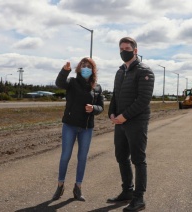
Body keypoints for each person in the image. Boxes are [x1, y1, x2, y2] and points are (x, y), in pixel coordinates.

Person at [107, 37, 155, 211]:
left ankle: (139, 198)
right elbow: (115, 95)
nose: (123, 51)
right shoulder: (120, 72)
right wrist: (111, 113)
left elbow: (143, 100)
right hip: (120, 122)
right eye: (121, 49)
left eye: (127, 48)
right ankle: (127, 191)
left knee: (138, 159)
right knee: (121, 157)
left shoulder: (144, 71)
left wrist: (125, 116)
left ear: (135, 50)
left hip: (136, 122)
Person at [52, 57, 104, 201]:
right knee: (65, 156)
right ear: (79, 68)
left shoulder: (97, 87)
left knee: (82, 158)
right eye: (83, 65)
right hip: (70, 125)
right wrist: (65, 71)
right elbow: (59, 83)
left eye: (89, 66)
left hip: (86, 128)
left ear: (93, 70)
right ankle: (60, 185)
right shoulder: (72, 82)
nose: (86, 68)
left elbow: (101, 107)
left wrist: (94, 108)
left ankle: (78, 188)